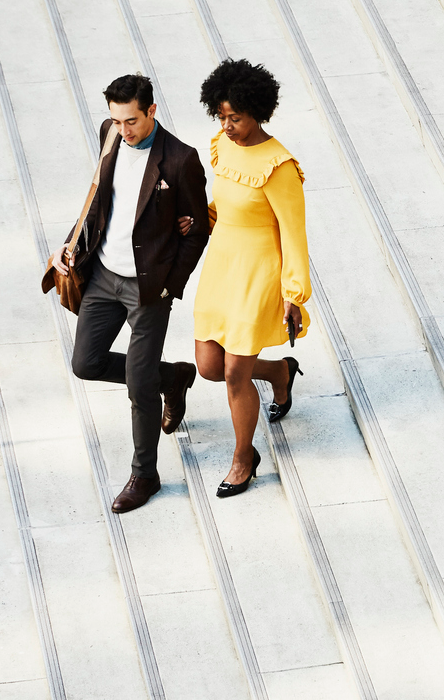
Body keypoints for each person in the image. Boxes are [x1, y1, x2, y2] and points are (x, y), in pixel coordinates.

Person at [54, 72, 210, 513]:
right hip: (103, 274)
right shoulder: (109, 136)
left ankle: (145, 475)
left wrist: (168, 287)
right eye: (117, 121)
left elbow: (196, 231)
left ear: (152, 112)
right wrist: (72, 241)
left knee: (139, 387)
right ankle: (173, 376)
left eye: (132, 122)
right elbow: (98, 198)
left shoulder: (180, 160)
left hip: (148, 287)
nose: (124, 130)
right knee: (86, 363)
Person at [192, 56, 311, 499]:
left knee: (235, 375)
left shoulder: (279, 167)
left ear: (257, 112)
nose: (226, 125)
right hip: (222, 264)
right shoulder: (222, 147)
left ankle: (245, 458)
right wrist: (196, 222)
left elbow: (295, 235)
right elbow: (221, 204)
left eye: (235, 118)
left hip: (260, 272)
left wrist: (293, 294)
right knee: (209, 366)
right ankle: (281, 372)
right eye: (221, 116)